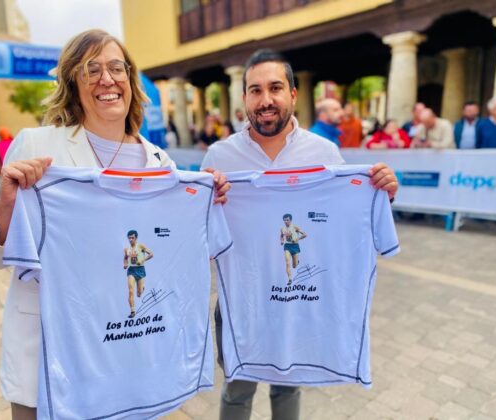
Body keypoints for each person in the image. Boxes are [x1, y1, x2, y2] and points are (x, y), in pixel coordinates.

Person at [0, 29, 228, 419]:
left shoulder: (160, 163)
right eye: (91, 69)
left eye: (116, 68)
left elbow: (180, 256)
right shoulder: (38, 147)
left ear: (130, 79)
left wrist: (206, 200)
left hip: (134, 363)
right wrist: (7, 203)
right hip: (52, 367)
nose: (106, 79)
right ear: (73, 82)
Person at [201, 48, 398, 420]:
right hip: (241, 299)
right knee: (237, 386)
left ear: (293, 93)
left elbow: (345, 214)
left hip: (299, 301)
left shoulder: (324, 152)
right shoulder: (219, 157)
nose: (266, 100)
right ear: (244, 98)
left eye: (275, 88)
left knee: (288, 384)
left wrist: (381, 193)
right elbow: (198, 234)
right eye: (255, 90)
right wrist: (207, 202)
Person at [123, 229, 153, 318]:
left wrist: (142, 260)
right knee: (131, 291)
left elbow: (151, 254)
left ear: (136, 238)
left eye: (132, 238)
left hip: (140, 270)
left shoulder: (140, 246)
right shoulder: (126, 249)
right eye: (129, 238)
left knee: (139, 294)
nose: (131, 239)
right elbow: (125, 258)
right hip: (131, 270)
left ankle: (141, 289)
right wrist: (125, 264)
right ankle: (132, 311)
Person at [280, 214, 306, 285]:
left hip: (295, 246)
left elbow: (305, 234)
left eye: (287, 220)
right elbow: (281, 235)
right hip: (287, 246)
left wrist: (297, 239)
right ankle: (290, 279)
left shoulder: (295, 227)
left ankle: (296, 262)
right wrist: (282, 241)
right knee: (288, 263)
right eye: (284, 220)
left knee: (294, 266)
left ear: (290, 220)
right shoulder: (282, 229)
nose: (286, 221)